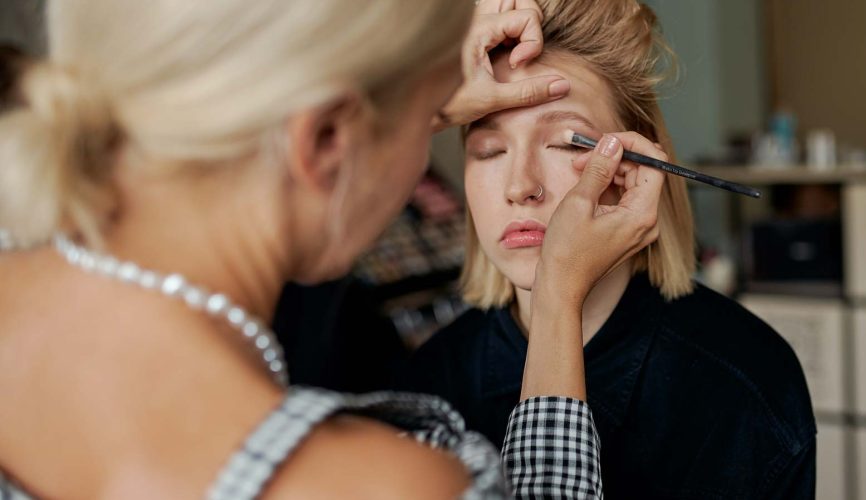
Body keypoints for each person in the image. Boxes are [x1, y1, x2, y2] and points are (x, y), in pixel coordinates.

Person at [0, 0, 668, 497]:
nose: (518, 184)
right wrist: (558, 302)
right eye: (470, 139)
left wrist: (402, 98)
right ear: (323, 142)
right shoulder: (380, 484)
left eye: (563, 143)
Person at [399, 0, 817, 497]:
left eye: (568, 142)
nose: (520, 186)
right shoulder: (427, 387)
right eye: (489, 150)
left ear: (639, 164)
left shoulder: (745, 381)